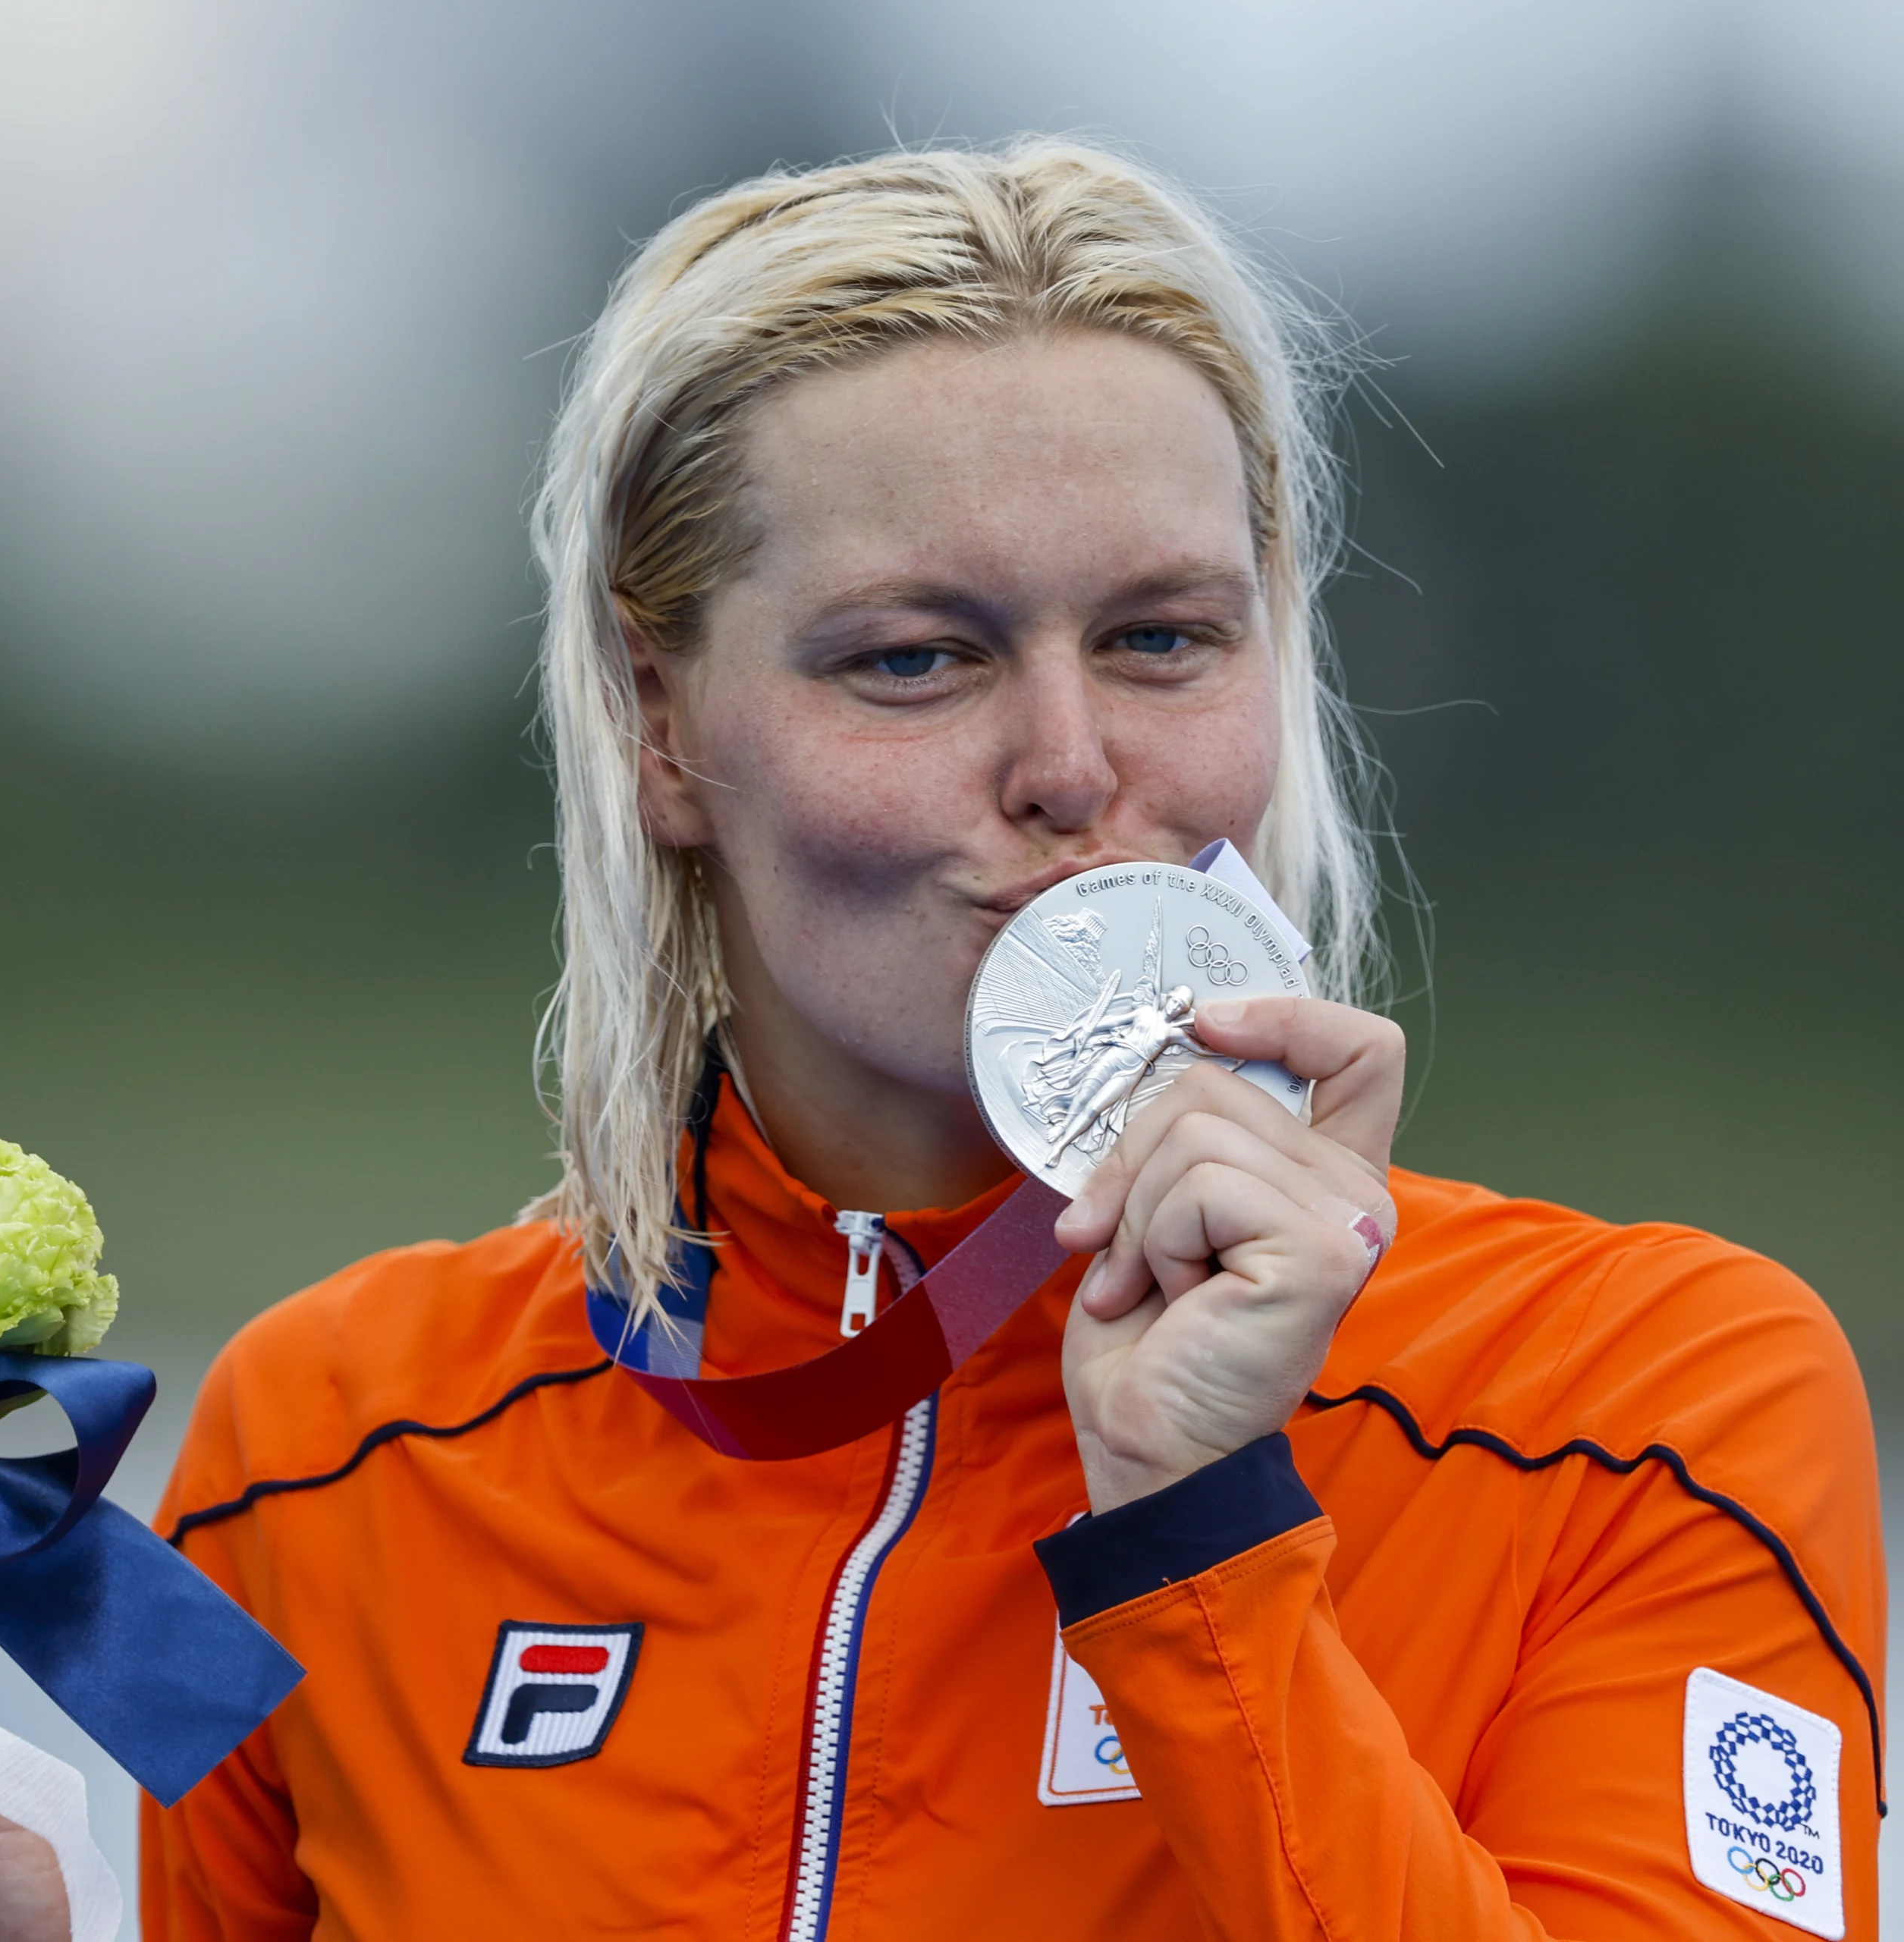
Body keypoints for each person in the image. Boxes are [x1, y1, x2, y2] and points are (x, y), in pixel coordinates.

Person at [139, 140, 1884, 1940]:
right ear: (661, 726)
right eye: (916, 658)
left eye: (1159, 636)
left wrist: (1198, 1526)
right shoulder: (324, 1443)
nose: (1067, 760)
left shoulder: (1648, 1407)